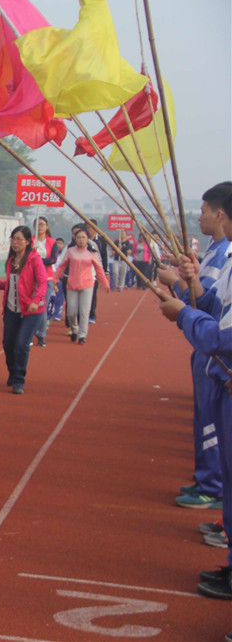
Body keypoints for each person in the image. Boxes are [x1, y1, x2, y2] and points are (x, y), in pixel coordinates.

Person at [158, 182, 232, 604]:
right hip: (216, 362)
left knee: (218, 443)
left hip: (218, 359)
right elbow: (213, 307)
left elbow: (218, 326)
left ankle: (211, 487)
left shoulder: (226, 256)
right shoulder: (222, 256)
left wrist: (183, 306)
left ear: (222, 214)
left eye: (205, 210)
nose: (201, 215)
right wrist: (188, 283)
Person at [0, 225, 47, 394]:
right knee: (8, 345)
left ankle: (19, 380)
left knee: (21, 345)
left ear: (28, 242)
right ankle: (13, 371)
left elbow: (43, 283)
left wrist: (35, 300)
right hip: (11, 309)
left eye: (19, 239)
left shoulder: (34, 260)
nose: (15, 243)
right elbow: (10, 284)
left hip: (31, 311)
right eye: (13, 239)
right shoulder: (11, 261)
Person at [51, 225, 110, 345]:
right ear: (75, 238)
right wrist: (55, 279)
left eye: (83, 237)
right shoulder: (70, 251)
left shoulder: (92, 253)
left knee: (84, 311)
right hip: (72, 284)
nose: (81, 240)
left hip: (87, 285)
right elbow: (62, 266)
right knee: (71, 312)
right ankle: (74, 328)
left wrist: (105, 283)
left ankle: (82, 335)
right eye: (78, 237)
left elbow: (99, 269)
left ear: (87, 239)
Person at [32, 216, 59, 347]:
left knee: (42, 306)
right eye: (37, 225)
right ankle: (30, 333)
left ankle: (41, 335)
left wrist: (37, 261)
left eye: (42, 224)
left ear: (47, 227)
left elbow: (53, 259)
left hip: (46, 278)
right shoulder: (31, 241)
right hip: (30, 278)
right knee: (30, 306)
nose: (40, 227)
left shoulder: (52, 242)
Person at [88, 218, 109, 324]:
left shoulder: (101, 241)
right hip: (81, 272)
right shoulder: (81, 239)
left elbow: (104, 257)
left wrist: (105, 272)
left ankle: (91, 314)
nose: (89, 230)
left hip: (95, 272)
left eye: (91, 227)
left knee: (92, 293)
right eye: (87, 227)